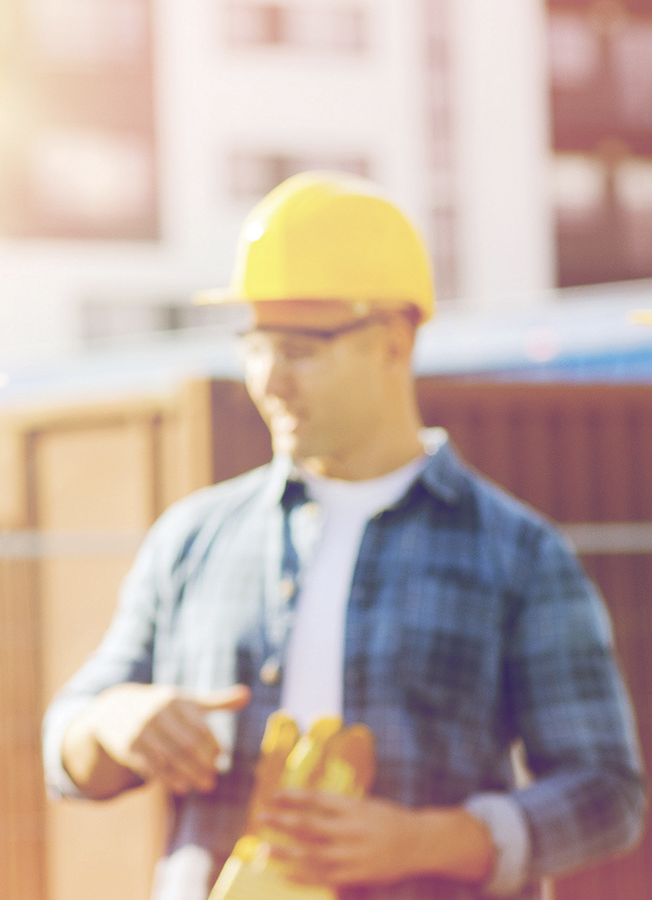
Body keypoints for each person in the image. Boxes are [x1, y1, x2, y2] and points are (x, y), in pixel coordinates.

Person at [42, 171, 645, 900]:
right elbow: (66, 740)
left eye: (300, 348)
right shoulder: (192, 538)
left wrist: (428, 841)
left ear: (394, 341)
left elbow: (608, 792)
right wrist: (114, 720)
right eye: (256, 344)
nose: (270, 379)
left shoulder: (519, 554)